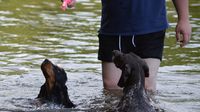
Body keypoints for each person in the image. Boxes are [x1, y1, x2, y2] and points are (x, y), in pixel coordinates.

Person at [63, 0, 192, 92]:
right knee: (112, 88)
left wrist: (184, 19)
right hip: (114, 26)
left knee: (146, 86)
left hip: (151, 25)